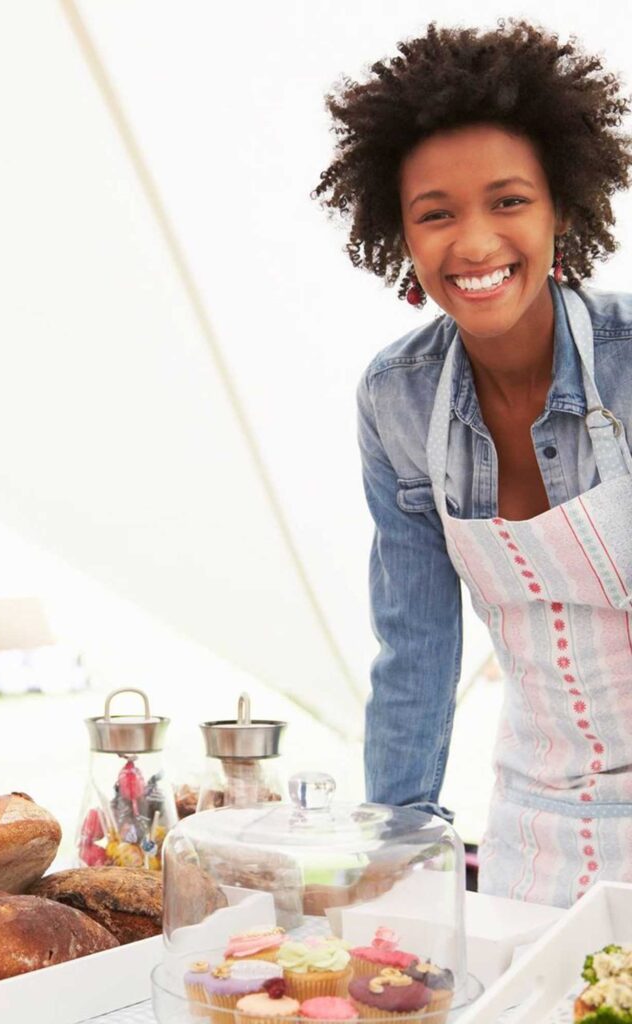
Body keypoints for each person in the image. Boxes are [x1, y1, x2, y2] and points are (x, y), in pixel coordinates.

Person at [314, 19, 632, 907]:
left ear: (561, 207)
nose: (476, 242)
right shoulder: (397, 400)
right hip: (533, 831)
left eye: (508, 201)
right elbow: (416, 646)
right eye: (438, 213)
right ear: (401, 235)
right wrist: (392, 851)